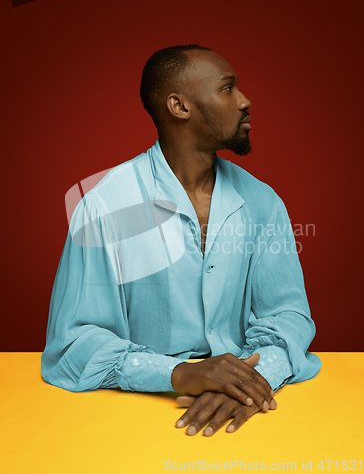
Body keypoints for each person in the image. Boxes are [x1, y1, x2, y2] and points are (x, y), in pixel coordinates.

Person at [41, 44, 322, 437]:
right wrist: (178, 374)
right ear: (179, 106)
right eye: (227, 89)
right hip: (130, 420)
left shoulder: (262, 200)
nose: (244, 101)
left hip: (252, 420)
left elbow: (288, 315)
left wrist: (249, 381)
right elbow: (73, 343)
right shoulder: (106, 205)